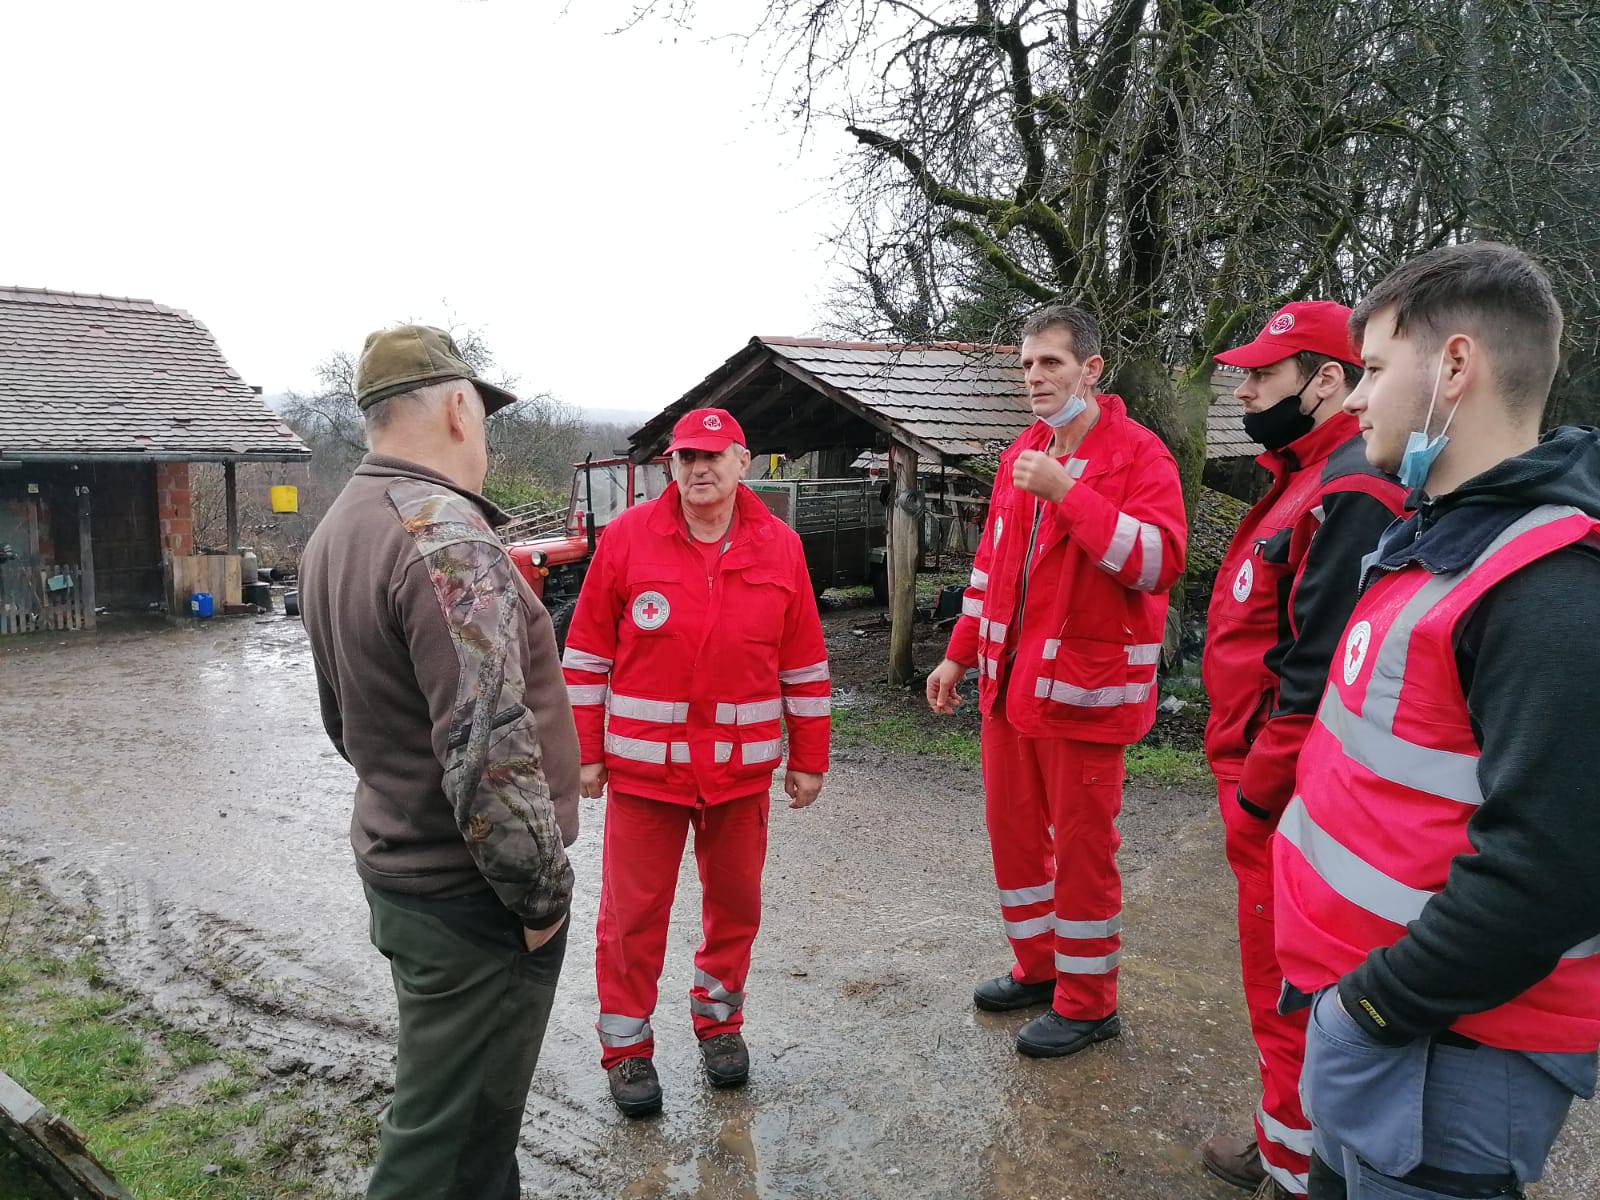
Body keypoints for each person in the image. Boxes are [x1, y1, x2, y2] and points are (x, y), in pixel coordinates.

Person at [1273, 242, 1600, 1199]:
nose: (1356, 398)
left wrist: (1369, 1011)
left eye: (1373, 369)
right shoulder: (1434, 542)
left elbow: (1552, 872)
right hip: (1380, 1031)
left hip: (1442, 1051)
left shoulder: (1552, 590)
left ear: (1456, 367)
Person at [300, 325, 579, 1200]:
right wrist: (541, 902)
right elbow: (490, 755)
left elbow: (344, 721)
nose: (486, 440)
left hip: (407, 878)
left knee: (472, 1136)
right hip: (475, 907)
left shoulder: (336, 531)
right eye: (484, 418)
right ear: (460, 407)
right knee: (440, 1154)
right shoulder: (445, 537)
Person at [925, 304, 1187, 1058]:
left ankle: (1088, 1001)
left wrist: (1071, 495)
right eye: (1027, 366)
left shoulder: (1141, 456)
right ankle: (1040, 969)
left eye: (1051, 364)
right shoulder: (1022, 454)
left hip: (1085, 698)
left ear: (1092, 370)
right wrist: (957, 653)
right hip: (1008, 693)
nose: (1035, 379)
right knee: (1012, 839)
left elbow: (1157, 563)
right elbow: (990, 574)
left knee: (1080, 851)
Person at [561, 407, 830, 1117]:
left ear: (745, 462)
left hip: (740, 778)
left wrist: (809, 757)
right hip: (647, 779)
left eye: (713, 456)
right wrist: (585, 754)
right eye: (686, 458)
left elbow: (803, 665)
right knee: (632, 917)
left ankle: (720, 1025)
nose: (699, 469)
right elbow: (585, 660)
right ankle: (627, 1049)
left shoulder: (780, 547)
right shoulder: (625, 542)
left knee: (735, 908)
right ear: (669, 467)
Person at [1198, 303, 1407, 1197]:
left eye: (1262, 375)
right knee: (1278, 984)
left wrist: (1257, 794)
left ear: (1327, 380)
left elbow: (1314, 669)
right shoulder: (1299, 477)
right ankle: (1283, 1138)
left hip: (1279, 789)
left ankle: (1294, 1168)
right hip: (1255, 774)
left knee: (1291, 987)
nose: (1244, 389)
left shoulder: (1348, 488)